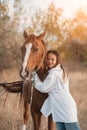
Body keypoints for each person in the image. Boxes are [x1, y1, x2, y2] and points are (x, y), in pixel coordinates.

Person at [34, 50, 80, 130]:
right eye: (48, 59)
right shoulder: (58, 70)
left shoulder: (55, 73)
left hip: (65, 107)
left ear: (57, 60)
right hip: (58, 109)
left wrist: (35, 79)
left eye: (52, 59)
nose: (49, 61)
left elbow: (44, 88)